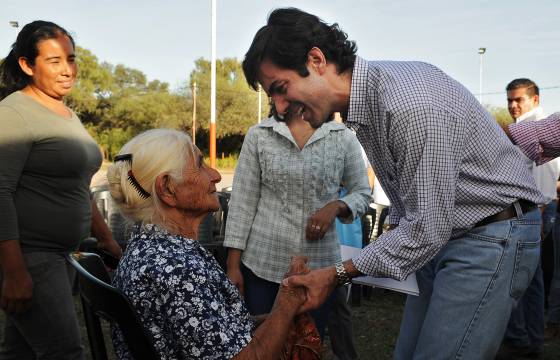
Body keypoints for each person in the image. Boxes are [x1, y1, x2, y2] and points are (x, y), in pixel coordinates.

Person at [242, 8, 544, 359]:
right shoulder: (367, 103)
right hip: (448, 236)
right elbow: (420, 218)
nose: (279, 107)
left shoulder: (406, 104)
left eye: (281, 89)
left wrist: (337, 273)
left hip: (490, 234)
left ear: (316, 59)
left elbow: (426, 227)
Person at [107, 129, 321, 360]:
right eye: (200, 166)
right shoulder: (178, 270)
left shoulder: (150, 246)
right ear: (168, 188)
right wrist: (287, 301)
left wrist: (280, 313)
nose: (216, 175)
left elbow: (210, 331)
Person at [0, 21, 121, 359]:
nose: (68, 70)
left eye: (71, 59)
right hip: (32, 256)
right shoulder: (13, 113)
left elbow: (78, 185)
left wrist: (108, 242)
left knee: (20, 353)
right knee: (65, 351)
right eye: (54, 61)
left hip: (64, 255)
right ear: (26, 65)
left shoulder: (65, 113)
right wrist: (14, 272)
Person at [223, 102, 371, 339]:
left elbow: (362, 193)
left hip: (319, 273)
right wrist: (232, 266)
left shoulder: (343, 137)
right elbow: (242, 202)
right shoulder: (259, 135)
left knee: (306, 345)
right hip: (261, 268)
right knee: (259, 345)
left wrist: (337, 206)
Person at [498, 79, 560, 359]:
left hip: (532, 212)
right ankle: (529, 339)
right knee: (530, 281)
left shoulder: (538, 127)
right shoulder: (526, 126)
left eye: (519, 100)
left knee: (519, 280)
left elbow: (545, 178)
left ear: (535, 99)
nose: (513, 105)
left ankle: (521, 339)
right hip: (531, 212)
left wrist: (542, 215)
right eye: (510, 99)